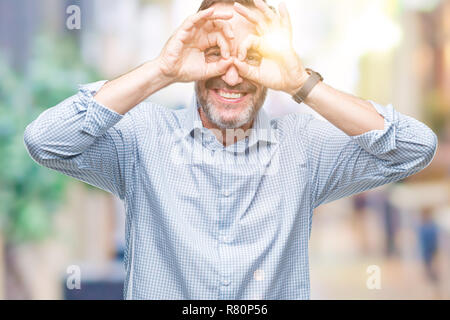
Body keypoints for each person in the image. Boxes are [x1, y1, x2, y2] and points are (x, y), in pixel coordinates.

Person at [23, 0, 438, 300]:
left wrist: (302, 83)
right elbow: (46, 141)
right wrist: (161, 71)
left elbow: (415, 148)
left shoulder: (303, 146)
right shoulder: (142, 138)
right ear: (189, 58)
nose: (232, 74)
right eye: (214, 54)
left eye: (252, 55)